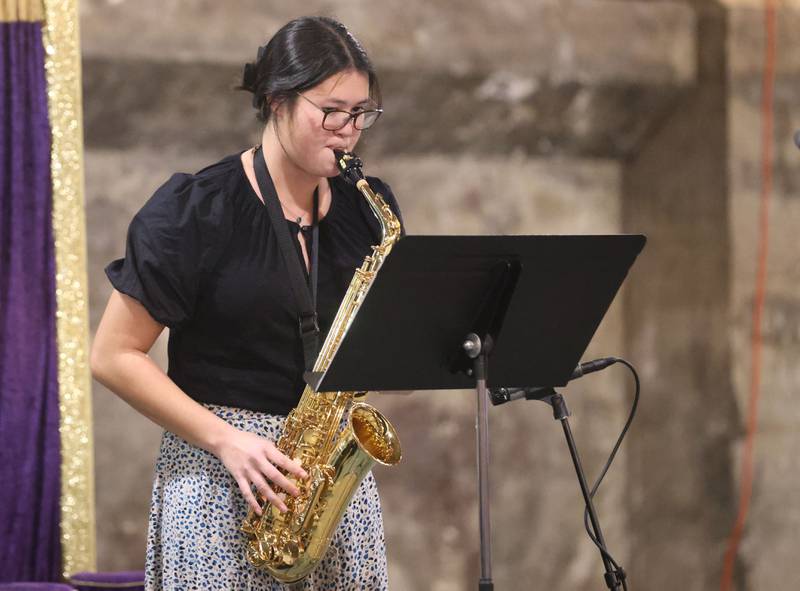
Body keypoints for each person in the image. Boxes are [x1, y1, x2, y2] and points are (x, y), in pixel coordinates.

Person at [90, 16, 403, 591]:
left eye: (362, 114)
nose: (348, 130)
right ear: (277, 99)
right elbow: (112, 356)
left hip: (327, 475)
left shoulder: (369, 211)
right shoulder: (196, 210)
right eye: (332, 111)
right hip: (219, 473)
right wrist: (228, 440)